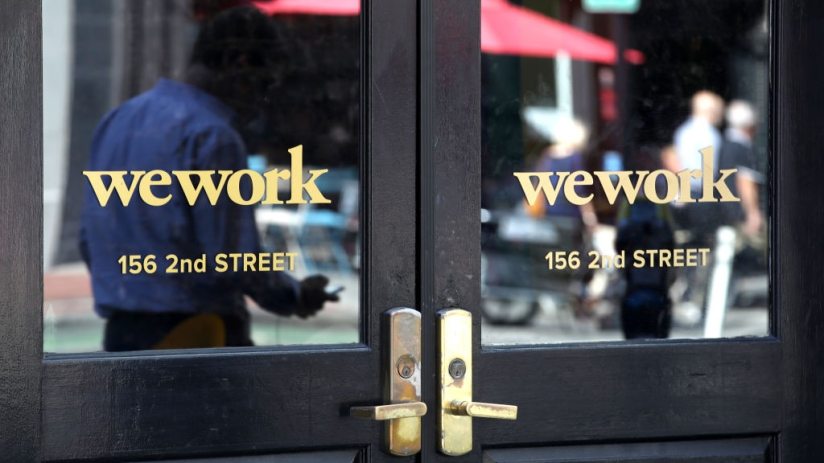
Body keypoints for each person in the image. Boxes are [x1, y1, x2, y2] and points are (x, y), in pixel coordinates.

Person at [80, 6, 337, 351]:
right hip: (198, 334)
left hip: (121, 332)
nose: (262, 101)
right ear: (239, 63)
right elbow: (232, 259)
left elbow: (89, 238)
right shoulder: (213, 136)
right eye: (264, 82)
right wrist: (293, 295)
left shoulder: (118, 119)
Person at [722, 100, 763, 237]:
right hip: (742, 217)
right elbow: (745, 182)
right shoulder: (742, 148)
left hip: (727, 213)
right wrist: (753, 213)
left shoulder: (724, 144)